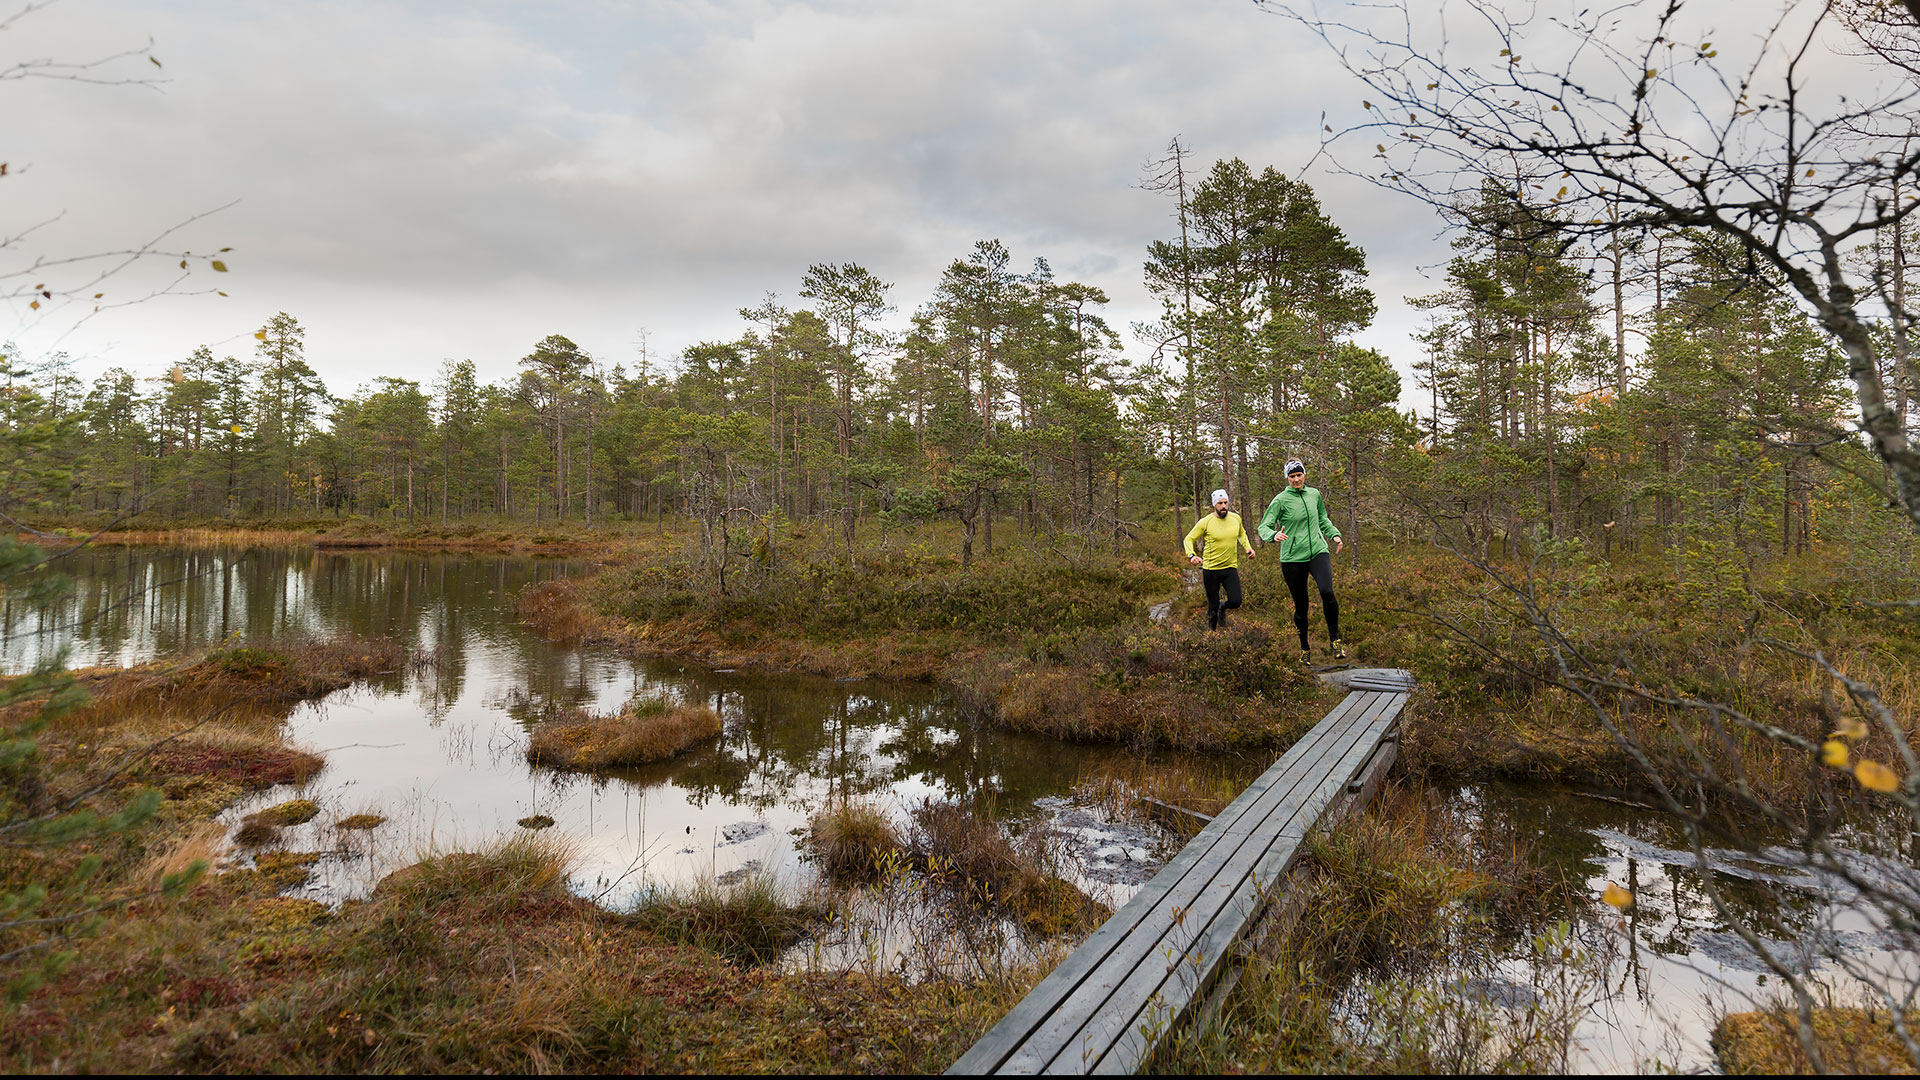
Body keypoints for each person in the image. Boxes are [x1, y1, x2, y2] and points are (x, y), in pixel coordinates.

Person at [1257, 460, 1347, 661]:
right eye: (1292, 476)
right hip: (1292, 558)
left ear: (1304, 475)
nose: (1297, 479)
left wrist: (1334, 535)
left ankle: (1335, 641)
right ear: (1287, 478)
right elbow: (1264, 526)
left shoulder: (1314, 494)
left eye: (1299, 475)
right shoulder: (1280, 500)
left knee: (1327, 592)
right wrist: (1273, 535)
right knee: (1301, 605)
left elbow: (1323, 519)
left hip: (1318, 551)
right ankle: (1305, 648)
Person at [1184, 488, 1256, 630]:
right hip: (1211, 570)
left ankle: (1223, 607)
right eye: (1220, 503)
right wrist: (1192, 555)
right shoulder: (1206, 522)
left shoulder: (1236, 518)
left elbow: (1242, 533)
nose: (1223, 506)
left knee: (1236, 601)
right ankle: (1212, 635)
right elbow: (1188, 539)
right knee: (1212, 607)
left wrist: (1248, 547)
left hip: (1230, 568)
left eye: (1225, 503)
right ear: (1214, 505)